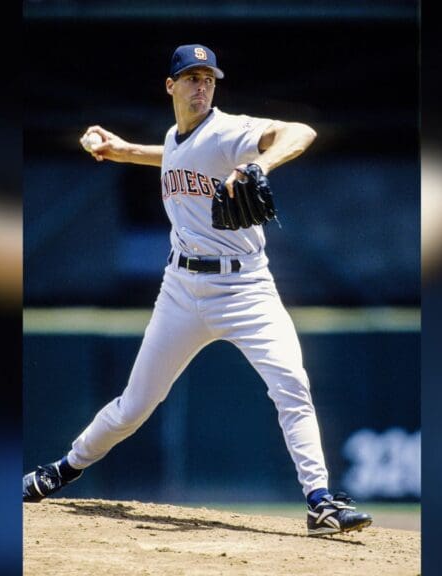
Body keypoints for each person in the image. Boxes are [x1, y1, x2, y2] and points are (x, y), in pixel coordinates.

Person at [23, 44, 372, 536]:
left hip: (247, 288)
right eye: (191, 77)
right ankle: (63, 468)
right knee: (134, 406)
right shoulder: (176, 137)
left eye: (209, 78)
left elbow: (301, 131)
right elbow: (176, 156)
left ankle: (319, 501)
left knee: (292, 385)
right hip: (181, 290)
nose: (202, 85)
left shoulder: (230, 131)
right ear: (171, 86)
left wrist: (260, 166)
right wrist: (121, 151)